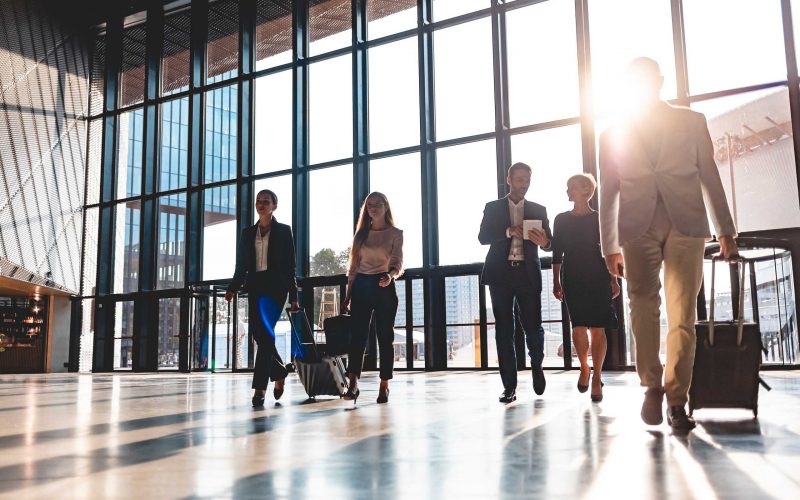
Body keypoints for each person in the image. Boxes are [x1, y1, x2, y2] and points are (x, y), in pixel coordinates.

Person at [598, 57, 738, 430]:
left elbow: (710, 174)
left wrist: (725, 229)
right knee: (641, 307)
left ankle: (677, 400)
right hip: (636, 227)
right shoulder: (611, 134)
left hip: (687, 224)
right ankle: (652, 385)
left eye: (648, 78)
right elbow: (609, 193)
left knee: (683, 316)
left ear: (660, 81)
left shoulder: (692, 121)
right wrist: (608, 245)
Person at [479, 162, 553, 403]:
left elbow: (550, 243)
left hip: (527, 273)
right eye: (520, 179)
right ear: (509, 179)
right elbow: (482, 237)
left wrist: (544, 242)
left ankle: (537, 365)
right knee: (504, 330)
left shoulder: (538, 209)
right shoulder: (492, 207)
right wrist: (508, 231)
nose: (524, 184)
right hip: (500, 275)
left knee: (533, 326)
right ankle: (509, 386)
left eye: (528, 180)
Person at [226, 189, 299, 407]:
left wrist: (294, 296)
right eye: (258, 201)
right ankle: (278, 373)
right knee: (259, 335)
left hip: (276, 288)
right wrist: (232, 287)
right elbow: (241, 265)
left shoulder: (285, 231)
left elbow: (290, 267)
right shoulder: (247, 233)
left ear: (274, 206)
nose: (261, 205)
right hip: (256, 287)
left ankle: (259, 388)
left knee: (265, 334)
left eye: (266, 202)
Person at [552, 173, 620, 403]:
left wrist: (614, 279)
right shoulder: (560, 219)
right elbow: (556, 252)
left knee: (598, 328)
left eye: (570, 187)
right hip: (572, 275)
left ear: (584, 190)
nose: (567, 191)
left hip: (598, 274)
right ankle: (584, 367)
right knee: (578, 326)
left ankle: (597, 375)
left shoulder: (600, 219)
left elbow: (608, 250)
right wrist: (555, 280)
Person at [341, 192, 404, 404]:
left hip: (384, 285)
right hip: (361, 285)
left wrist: (390, 275)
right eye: (370, 205)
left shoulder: (396, 233)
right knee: (357, 337)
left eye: (378, 204)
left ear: (386, 206)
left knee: (385, 337)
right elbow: (353, 268)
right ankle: (353, 384)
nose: (373, 208)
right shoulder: (360, 234)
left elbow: (397, 262)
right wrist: (348, 295)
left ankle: (384, 384)